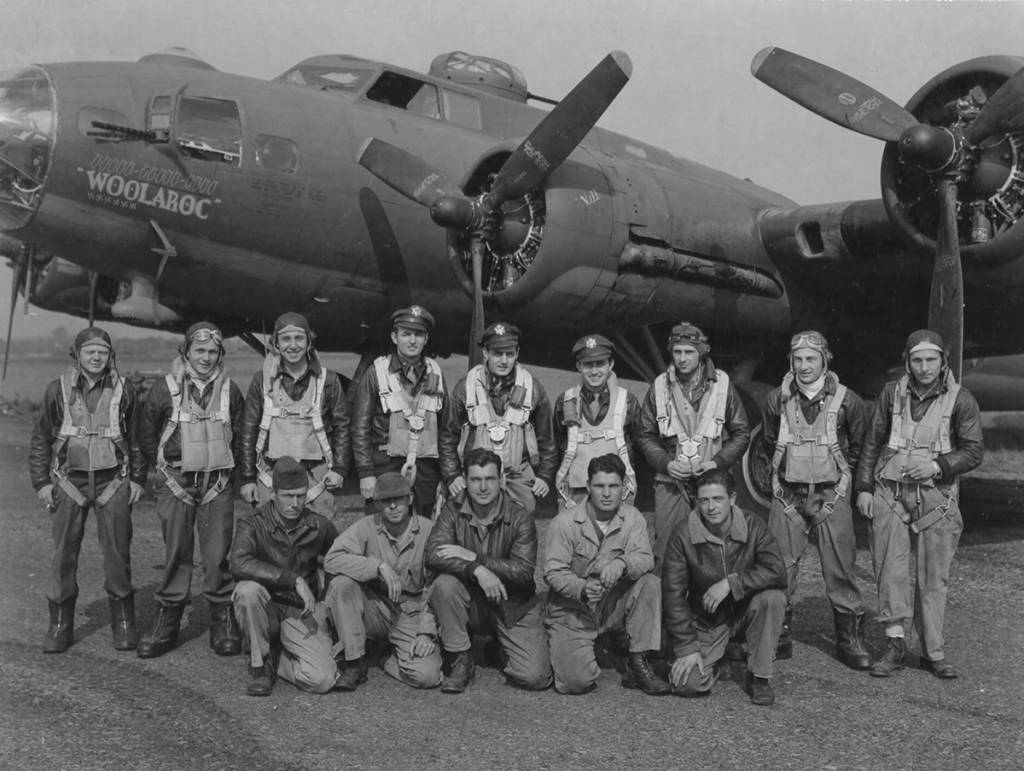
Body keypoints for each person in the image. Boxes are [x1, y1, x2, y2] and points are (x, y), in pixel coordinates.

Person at [855, 329, 983, 680]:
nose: (925, 367)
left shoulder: (961, 399)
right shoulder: (890, 394)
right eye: (917, 360)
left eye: (931, 359)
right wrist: (863, 487)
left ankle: (932, 652)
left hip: (936, 497)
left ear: (943, 361)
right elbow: (872, 441)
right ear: (907, 362)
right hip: (890, 492)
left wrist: (937, 465)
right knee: (889, 571)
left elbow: (974, 451)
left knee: (933, 578)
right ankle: (895, 646)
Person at [29, 326, 147, 653]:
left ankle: (124, 621)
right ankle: (60, 624)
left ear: (111, 356)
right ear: (77, 355)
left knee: (117, 553)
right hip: (70, 480)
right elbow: (41, 439)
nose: (96, 357)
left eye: (103, 352)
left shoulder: (126, 391)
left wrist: (137, 479)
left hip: (114, 480)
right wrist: (41, 483)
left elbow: (137, 439)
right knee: (63, 554)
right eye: (90, 351)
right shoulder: (58, 390)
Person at [135, 322, 244, 659]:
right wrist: (165, 467)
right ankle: (168, 617)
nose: (206, 358)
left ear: (220, 355)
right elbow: (145, 433)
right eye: (199, 351)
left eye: (213, 352)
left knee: (216, 557)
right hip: (176, 482)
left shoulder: (230, 391)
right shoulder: (163, 389)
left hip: (217, 484)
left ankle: (221, 618)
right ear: (185, 352)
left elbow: (240, 437)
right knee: (176, 553)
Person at [762, 331, 870, 669]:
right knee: (780, 565)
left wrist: (841, 480)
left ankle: (848, 637)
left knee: (840, 567)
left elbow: (860, 446)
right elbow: (768, 442)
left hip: (831, 493)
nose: (804, 366)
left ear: (825, 360)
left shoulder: (848, 401)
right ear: (790, 362)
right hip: (788, 494)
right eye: (798, 359)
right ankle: (777, 631)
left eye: (811, 359)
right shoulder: (775, 400)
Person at [425, 448, 552, 693]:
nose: (483, 487)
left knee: (535, 677)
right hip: (470, 599)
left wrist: (475, 557)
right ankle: (460, 657)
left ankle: (498, 647)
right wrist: (477, 570)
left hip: (512, 603)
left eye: (489, 479)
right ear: (465, 480)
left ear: (501, 480)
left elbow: (524, 572)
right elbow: (433, 555)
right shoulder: (452, 510)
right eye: (475, 479)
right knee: (444, 585)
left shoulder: (520, 517)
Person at [544, 453, 670, 695]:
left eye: (613, 486)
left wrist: (622, 563)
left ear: (623, 487)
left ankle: (638, 660)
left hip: (611, 605)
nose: (606, 493)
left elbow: (645, 558)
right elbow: (553, 573)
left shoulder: (632, 518)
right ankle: (586, 647)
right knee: (575, 682)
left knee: (650, 583)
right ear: (588, 486)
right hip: (573, 611)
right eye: (600, 486)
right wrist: (581, 588)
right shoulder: (565, 523)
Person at [662, 469, 787, 706]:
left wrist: (731, 583)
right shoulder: (683, 534)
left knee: (773, 597)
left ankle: (759, 676)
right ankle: (721, 658)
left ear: (732, 499)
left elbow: (777, 572)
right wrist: (687, 647)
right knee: (686, 685)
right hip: (708, 621)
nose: (711, 507)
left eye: (718, 499)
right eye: (704, 500)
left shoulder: (753, 526)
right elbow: (673, 594)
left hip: (745, 613)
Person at [637, 322, 750, 571]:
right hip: (671, 482)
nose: (682, 358)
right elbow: (645, 435)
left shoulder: (722, 384)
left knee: (718, 548)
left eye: (689, 352)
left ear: (701, 352)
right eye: (677, 352)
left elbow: (742, 433)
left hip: (712, 480)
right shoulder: (658, 386)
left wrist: (716, 463)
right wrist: (666, 464)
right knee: (666, 551)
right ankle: (669, 607)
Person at [230, 456, 340, 696]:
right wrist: (294, 579)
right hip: (265, 608)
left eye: (301, 495)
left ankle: (278, 661)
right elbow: (238, 562)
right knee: (247, 590)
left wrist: (329, 604)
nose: (296, 503)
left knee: (322, 679)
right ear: (272, 493)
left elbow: (341, 556)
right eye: (288, 496)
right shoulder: (252, 524)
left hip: (300, 611)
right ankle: (260, 666)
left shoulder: (318, 525)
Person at [323, 471, 442, 690]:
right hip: (375, 608)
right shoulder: (366, 526)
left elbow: (436, 587)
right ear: (377, 503)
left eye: (398, 499)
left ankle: (387, 657)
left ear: (410, 499)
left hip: (413, 613)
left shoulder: (430, 530)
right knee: (342, 585)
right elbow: (331, 559)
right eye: (386, 501)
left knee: (427, 676)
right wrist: (377, 566)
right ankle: (354, 661)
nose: (393, 507)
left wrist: (427, 631)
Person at [238, 312, 350, 518]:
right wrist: (247, 478)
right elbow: (248, 430)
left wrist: (340, 469)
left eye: (299, 338)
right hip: (271, 475)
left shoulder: (329, 381)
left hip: (316, 476)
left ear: (308, 343)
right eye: (285, 339)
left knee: (317, 540)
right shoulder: (261, 381)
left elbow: (343, 427)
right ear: (276, 344)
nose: (293, 345)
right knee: (271, 541)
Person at [440, 322, 556, 516]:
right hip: (476, 476)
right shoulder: (465, 389)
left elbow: (547, 440)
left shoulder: (533, 389)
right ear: (485, 353)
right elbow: (447, 436)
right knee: (467, 527)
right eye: (497, 353)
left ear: (517, 353)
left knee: (520, 531)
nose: (504, 360)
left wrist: (544, 476)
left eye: (510, 354)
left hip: (517, 476)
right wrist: (452, 475)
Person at [352, 305, 447, 518]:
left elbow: (446, 428)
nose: (412, 340)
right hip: (386, 464)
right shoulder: (376, 373)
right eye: (406, 334)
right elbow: (360, 428)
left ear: (426, 339)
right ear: (394, 337)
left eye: (418, 334)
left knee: (423, 529)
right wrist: (366, 472)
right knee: (381, 528)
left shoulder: (436, 373)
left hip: (426, 468)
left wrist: (447, 474)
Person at [552, 334, 641, 509]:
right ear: (579, 366)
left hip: (616, 488)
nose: (594, 371)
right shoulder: (565, 400)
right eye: (588, 365)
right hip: (576, 488)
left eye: (600, 364)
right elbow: (558, 442)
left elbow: (637, 442)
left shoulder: (627, 401)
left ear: (611, 364)